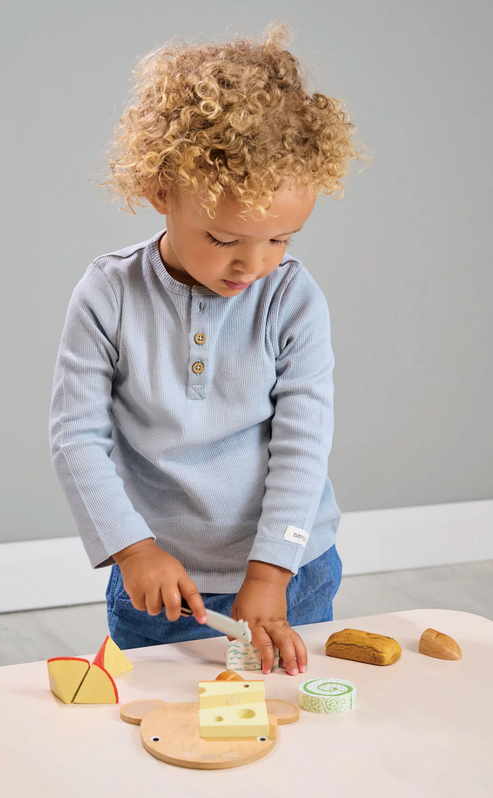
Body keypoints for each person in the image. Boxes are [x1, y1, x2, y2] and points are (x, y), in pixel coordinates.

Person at [49, 22, 369, 676]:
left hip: (289, 574)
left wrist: (272, 569)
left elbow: (302, 444)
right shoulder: (106, 294)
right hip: (161, 582)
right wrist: (133, 552)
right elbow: (76, 437)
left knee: (279, 733)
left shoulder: (291, 299)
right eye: (226, 240)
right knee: (159, 729)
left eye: (281, 239)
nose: (253, 264)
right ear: (161, 190)